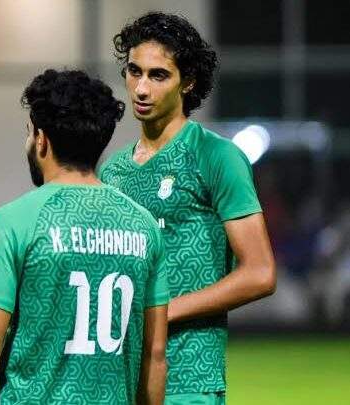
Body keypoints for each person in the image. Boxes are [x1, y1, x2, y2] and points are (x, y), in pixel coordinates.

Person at [0, 69, 169, 405]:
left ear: (41, 139)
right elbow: (154, 355)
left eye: (29, 133)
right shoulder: (144, 226)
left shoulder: (13, 222)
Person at [97, 12, 276, 404]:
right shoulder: (112, 171)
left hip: (188, 377)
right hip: (118, 377)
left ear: (188, 81)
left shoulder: (216, 156)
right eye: (134, 72)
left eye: (158, 75)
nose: (141, 88)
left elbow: (260, 273)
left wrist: (162, 311)